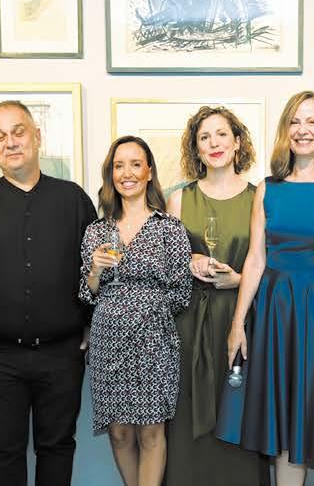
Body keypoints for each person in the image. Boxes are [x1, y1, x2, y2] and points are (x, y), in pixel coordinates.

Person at [222, 91, 314, 486]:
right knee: (284, 428)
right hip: (277, 316)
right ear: (286, 130)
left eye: (312, 121)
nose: (303, 130)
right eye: (295, 122)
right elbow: (255, 260)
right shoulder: (267, 189)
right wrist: (238, 325)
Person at [0, 101, 97, 486]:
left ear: (37, 136)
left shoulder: (73, 199)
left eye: (18, 132)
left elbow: (91, 270)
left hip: (62, 353)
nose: (10, 142)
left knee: (57, 446)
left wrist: (90, 323)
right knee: (3, 452)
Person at [163, 106, 268, 486]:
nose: (214, 143)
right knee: (188, 412)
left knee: (239, 410)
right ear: (196, 148)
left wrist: (239, 280)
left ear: (237, 142)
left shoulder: (260, 197)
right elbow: (166, 268)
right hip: (190, 322)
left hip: (241, 318)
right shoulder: (179, 200)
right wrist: (189, 260)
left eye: (222, 134)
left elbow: (271, 264)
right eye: (204, 137)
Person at [79, 136, 193, 486]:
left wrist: (145, 311)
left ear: (149, 172)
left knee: (151, 431)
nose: (126, 173)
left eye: (135, 164)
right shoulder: (96, 230)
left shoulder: (169, 228)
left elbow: (182, 292)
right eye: (119, 165)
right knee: (119, 432)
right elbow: (87, 294)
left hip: (154, 340)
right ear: (110, 174)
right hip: (108, 340)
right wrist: (95, 270)